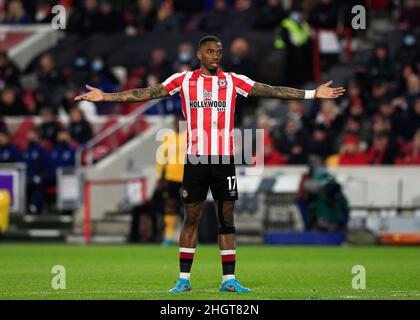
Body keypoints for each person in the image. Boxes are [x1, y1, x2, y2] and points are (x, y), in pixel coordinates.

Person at [75, 35, 345, 293]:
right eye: (210, 52)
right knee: (191, 217)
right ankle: (184, 280)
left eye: (219, 52)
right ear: (199, 54)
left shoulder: (233, 81)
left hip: (224, 160)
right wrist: (107, 97)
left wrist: (312, 95)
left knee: (226, 219)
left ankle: (229, 279)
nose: (215, 56)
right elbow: (147, 92)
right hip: (195, 160)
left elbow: (272, 91)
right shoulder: (183, 80)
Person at [156, 115, 187, 246]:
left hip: (188, 177)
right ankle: (168, 236)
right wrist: (160, 176)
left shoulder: (191, 137)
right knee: (170, 206)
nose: (177, 124)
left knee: (190, 208)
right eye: (176, 122)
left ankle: (191, 236)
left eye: (180, 122)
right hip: (171, 177)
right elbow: (161, 158)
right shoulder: (168, 138)